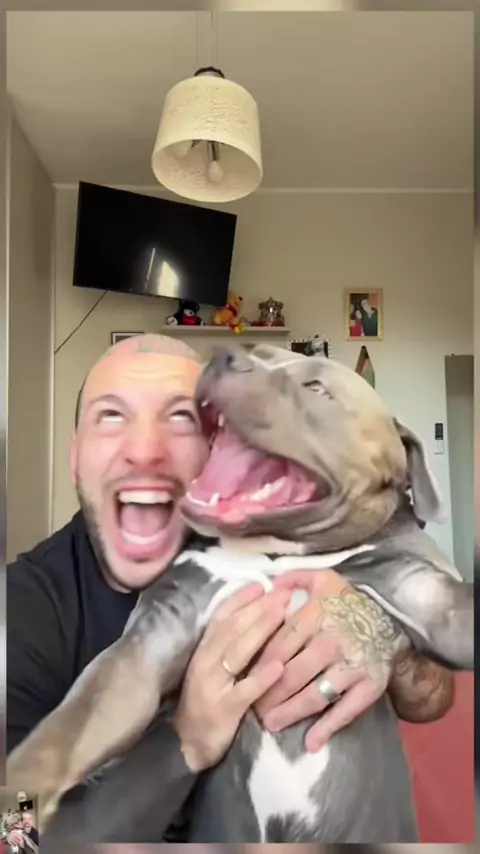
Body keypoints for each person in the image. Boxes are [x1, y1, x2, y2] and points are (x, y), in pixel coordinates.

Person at [8, 334, 453, 842]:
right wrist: (183, 743)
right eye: (111, 416)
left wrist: (380, 632)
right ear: (74, 455)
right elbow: (11, 837)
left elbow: (431, 697)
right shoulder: (22, 615)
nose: (144, 452)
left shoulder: (288, 536)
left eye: (181, 418)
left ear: (223, 444)